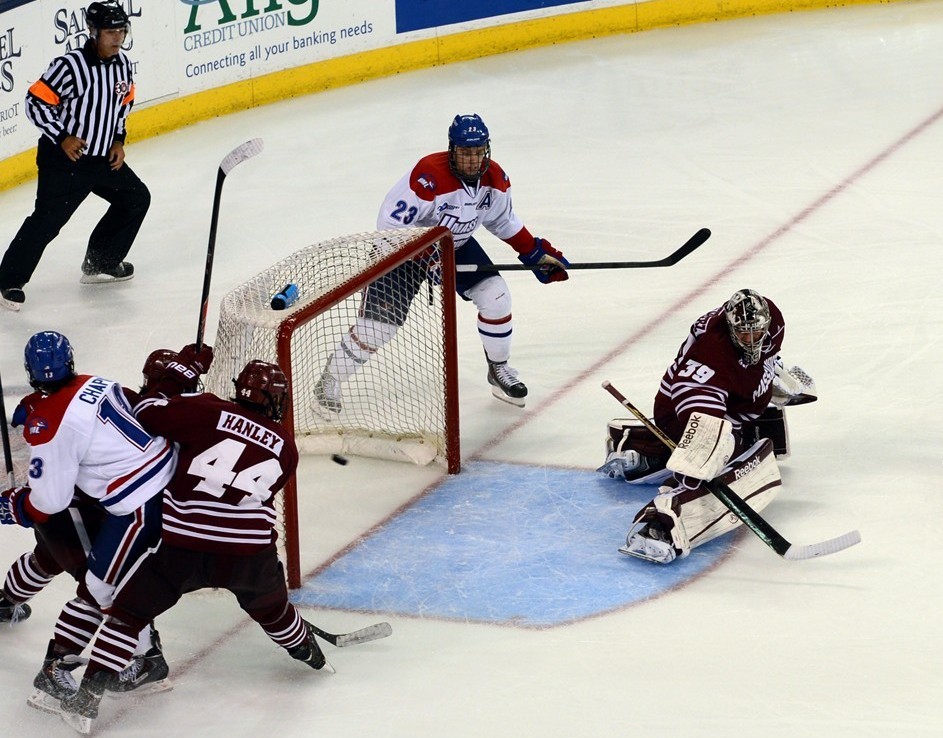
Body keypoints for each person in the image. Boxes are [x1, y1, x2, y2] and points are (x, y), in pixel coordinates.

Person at [53, 359, 326, 734]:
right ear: (276, 402)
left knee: (128, 614)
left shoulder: (206, 409)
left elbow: (145, 412)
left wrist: (173, 385)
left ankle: (86, 700)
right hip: (248, 555)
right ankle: (308, 652)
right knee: (273, 610)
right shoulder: (287, 447)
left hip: (184, 546)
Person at [312, 113, 568, 411]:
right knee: (378, 328)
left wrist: (533, 254)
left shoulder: (494, 179)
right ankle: (329, 380)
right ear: (452, 150)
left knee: (496, 296)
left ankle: (498, 368)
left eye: (477, 152)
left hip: (454, 245)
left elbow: (503, 220)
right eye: (465, 152)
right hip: (400, 254)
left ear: (486, 150)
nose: (472, 160)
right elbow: (390, 227)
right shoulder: (428, 176)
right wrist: (428, 255)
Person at [0, 331, 179, 714]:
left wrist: (16, 507)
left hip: (130, 502)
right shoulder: (99, 382)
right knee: (85, 576)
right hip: (151, 487)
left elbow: (48, 499)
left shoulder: (49, 423)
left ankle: (135, 661)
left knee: (93, 582)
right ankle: (139, 659)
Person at [600, 289, 818, 564]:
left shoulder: (773, 320)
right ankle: (658, 518)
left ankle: (647, 451)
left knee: (736, 438)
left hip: (732, 402)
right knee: (724, 449)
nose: (751, 341)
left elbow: (764, 355)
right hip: (681, 412)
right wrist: (699, 466)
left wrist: (771, 376)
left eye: (756, 333)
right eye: (743, 335)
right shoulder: (709, 356)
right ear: (730, 329)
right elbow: (705, 427)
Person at [0, 2, 150, 312]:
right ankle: (8, 281)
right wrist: (62, 137)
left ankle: (100, 262)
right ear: (94, 33)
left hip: (101, 160)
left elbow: (123, 104)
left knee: (136, 198)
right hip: (64, 160)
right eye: (111, 31)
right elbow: (35, 103)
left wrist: (118, 140)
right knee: (47, 221)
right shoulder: (69, 65)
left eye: (122, 30)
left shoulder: (123, 65)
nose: (118, 37)